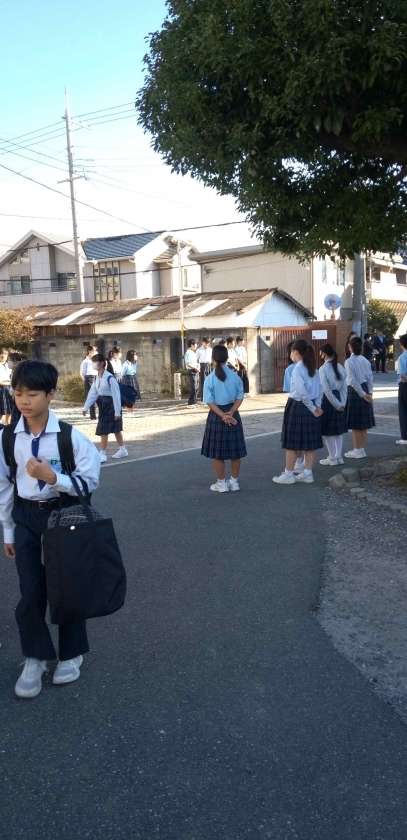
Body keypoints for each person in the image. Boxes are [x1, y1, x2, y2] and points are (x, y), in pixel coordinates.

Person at [0, 360, 100, 699]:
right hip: (26, 517)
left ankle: (72, 654)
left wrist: (53, 478)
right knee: (30, 591)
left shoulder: (70, 437)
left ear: (51, 394)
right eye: (18, 394)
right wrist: (8, 530)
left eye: (32, 394)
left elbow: (89, 481)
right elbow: (4, 485)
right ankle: (35, 657)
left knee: (65, 588)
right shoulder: (8, 437)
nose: (24, 401)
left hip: (64, 516)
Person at [273, 339, 323, 485]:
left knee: (291, 443)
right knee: (309, 443)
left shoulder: (297, 369)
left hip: (298, 406)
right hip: (312, 406)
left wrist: (313, 408)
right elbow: (320, 390)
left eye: (291, 352)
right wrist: (317, 406)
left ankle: (288, 474)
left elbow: (301, 392)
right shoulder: (314, 369)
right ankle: (307, 473)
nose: (290, 355)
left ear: (295, 352)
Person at [201, 344, 246, 492]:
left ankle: (221, 484)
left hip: (216, 415)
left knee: (217, 453)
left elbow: (209, 401)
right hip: (233, 414)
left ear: (213, 359)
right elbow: (240, 396)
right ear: (227, 358)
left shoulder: (209, 379)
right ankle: (234, 482)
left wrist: (222, 415)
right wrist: (231, 412)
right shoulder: (235, 376)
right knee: (235, 451)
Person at [83, 354, 128, 462]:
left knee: (108, 429)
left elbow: (116, 396)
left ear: (102, 363)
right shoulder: (97, 377)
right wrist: (86, 407)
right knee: (112, 429)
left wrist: (117, 412)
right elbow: (93, 393)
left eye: (95, 362)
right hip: (103, 405)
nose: (93, 364)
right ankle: (122, 449)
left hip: (111, 405)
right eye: (93, 362)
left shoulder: (110, 378)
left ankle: (103, 453)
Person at [344, 336, 375, 459]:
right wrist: (369, 393)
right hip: (366, 388)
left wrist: (362, 394)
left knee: (356, 424)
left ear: (350, 347)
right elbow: (370, 377)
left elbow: (352, 381)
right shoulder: (365, 360)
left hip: (355, 391)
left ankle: (357, 450)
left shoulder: (348, 361)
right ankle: (361, 449)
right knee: (363, 423)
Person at [319, 343, 348, 465]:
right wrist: (342, 403)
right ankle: (338, 457)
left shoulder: (323, 369)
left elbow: (326, 390)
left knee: (327, 432)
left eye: (321, 352)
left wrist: (336, 404)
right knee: (338, 431)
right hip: (339, 399)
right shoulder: (340, 367)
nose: (320, 354)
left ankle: (332, 458)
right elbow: (344, 388)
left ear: (324, 354)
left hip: (328, 401)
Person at [79, 345, 98, 421]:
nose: (95, 352)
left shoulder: (96, 360)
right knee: (91, 396)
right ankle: (93, 416)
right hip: (89, 378)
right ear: (89, 351)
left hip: (97, 377)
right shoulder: (85, 361)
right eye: (94, 350)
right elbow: (82, 372)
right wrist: (86, 380)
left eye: (96, 350)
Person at [396, 333, 407, 445]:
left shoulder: (402, 357)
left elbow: (402, 375)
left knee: (403, 411)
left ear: (402, 344)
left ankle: (405, 437)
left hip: (404, 386)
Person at [184, 339, 199, 406]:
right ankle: (190, 402)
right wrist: (195, 368)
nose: (196, 347)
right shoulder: (188, 353)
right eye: (195, 345)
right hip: (191, 370)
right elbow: (187, 363)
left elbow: (196, 362)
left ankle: (194, 401)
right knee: (193, 387)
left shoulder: (193, 353)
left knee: (196, 387)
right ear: (192, 345)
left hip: (196, 370)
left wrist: (198, 367)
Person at [0, 348, 13, 425]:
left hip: (9, 389)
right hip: (1, 390)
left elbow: (12, 377)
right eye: (1, 354)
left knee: (10, 409)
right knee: (2, 410)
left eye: (5, 354)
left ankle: (8, 426)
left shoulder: (9, 365)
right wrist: (9, 383)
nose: (3, 356)